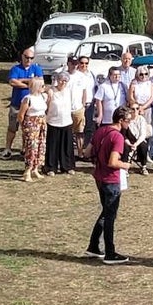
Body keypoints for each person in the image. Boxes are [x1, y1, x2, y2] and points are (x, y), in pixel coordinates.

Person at [86, 106, 132, 264]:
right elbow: (113, 162)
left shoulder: (100, 131)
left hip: (99, 176)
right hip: (111, 179)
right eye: (128, 120)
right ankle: (110, 252)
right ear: (120, 121)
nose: (129, 123)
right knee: (110, 216)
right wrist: (125, 165)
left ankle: (93, 246)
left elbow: (86, 152)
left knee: (105, 213)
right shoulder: (117, 137)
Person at [4, 47, 43, 160]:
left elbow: (40, 82)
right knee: (12, 127)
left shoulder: (36, 68)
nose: (29, 60)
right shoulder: (16, 68)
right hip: (16, 104)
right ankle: (8, 148)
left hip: (31, 106)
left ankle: (24, 149)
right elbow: (12, 81)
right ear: (22, 56)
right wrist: (29, 84)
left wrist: (21, 80)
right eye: (27, 57)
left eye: (31, 58)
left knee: (27, 129)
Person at [43, 71, 76, 176]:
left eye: (65, 80)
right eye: (61, 80)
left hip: (66, 122)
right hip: (53, 122)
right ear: (57, 80)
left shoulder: (69, 91)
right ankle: (50, 168)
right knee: (52, 146)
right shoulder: (51, 91)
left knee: (66, 146)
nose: (63, 82)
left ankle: (67, 166)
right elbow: (45, 106)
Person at [16, 77, 48, 182]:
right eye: (42, 86)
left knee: (40, 146)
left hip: (41, 123)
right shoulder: (28, 99)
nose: (44, 87)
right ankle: (28, 170)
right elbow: (21, 115)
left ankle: (35, 168)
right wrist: (24, 127)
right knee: (31, 147)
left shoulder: (43, 97)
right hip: (31, 124)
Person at [69, 55, 95, 158]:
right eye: (82, 63)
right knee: (75, 130)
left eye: (86, 63)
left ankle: (85, 150)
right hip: (77, 106)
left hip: (89, 104)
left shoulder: (91, 74)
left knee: (88, 128)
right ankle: (73, 150)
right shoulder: (74, 75)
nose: (84, 65)